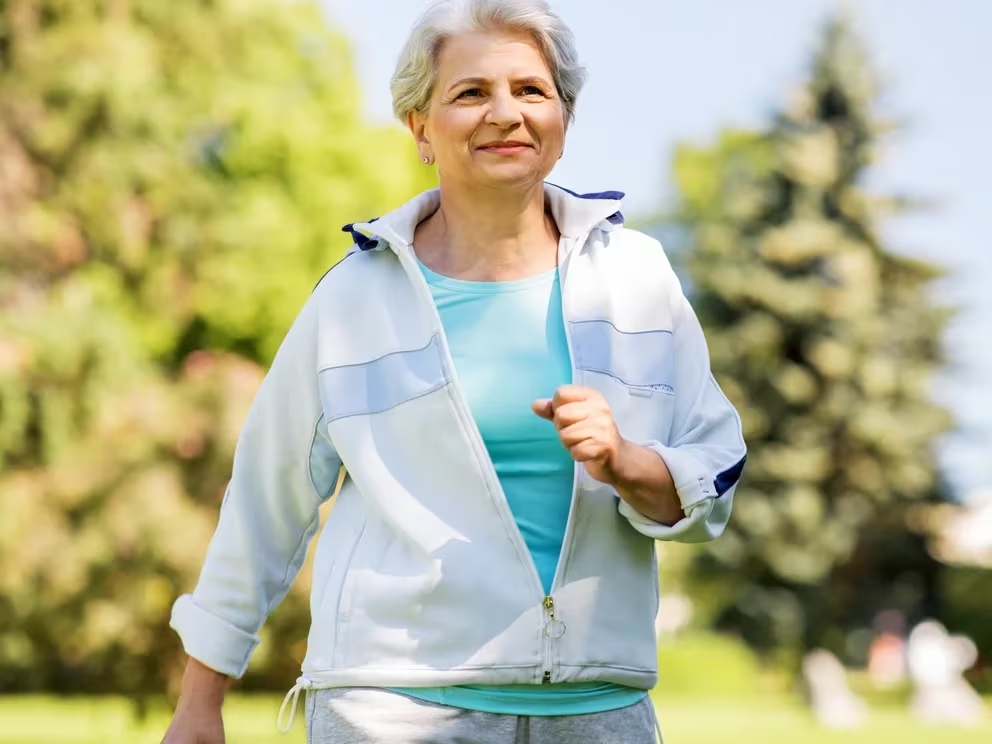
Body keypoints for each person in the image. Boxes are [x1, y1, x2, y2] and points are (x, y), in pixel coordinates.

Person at [161, 1, 746, 742]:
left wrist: (625, 461)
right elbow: (264, 503)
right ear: (420, 128)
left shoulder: (637, 279)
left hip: (599, 710)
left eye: (532, 91)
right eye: (471, 93)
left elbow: (712, 472)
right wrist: (199, 702)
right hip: (393, 707)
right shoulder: (355, 298)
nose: (506, 113)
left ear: (563, 119)